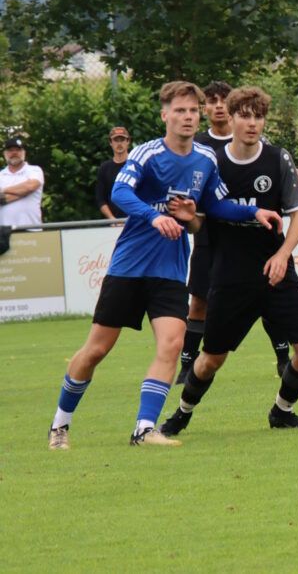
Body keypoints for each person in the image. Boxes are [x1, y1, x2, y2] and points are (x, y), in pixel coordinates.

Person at [46, 81, 282, 450]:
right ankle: (60, 424)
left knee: (172, 344)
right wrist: (154, 217)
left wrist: (253, 212)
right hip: (129, 268)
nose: (188, 117)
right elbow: (120, 192)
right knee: (96, 350)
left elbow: (215, 206)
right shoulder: (148, 154)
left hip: (170, 271)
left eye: (193, 111)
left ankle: (144, 429)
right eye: (180, 111)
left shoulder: (205, 159)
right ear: (165, 115)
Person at [159, 86, 298, 435]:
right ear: (230, 119)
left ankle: (282, 412)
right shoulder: (212, 164)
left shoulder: (278, 159)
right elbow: (199, 225)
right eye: (244, 116)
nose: (252, 123)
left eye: (258, 117)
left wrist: (282, 255)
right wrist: (189, 218)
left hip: (276, 272)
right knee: (211, 360)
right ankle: (181, 414)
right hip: (230, 276)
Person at [0, 136, 45, 227]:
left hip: (32, 228)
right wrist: (23, 192)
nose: (14, 153)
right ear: (5, 154)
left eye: (18, 150)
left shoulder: (35, 170)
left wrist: (3, 190)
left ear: (24, 152)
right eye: (10, 150)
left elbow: (30, 186)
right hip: (4, 231)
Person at [96, 126, 131, 220]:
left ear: (128, 141)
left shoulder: (136, 165)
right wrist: (112, 219)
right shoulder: (104, 168)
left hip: (136, 221)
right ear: (110, 142)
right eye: (116, 140)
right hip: (112, 223)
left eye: (122, 140)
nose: (119, 144)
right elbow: (100, 199)